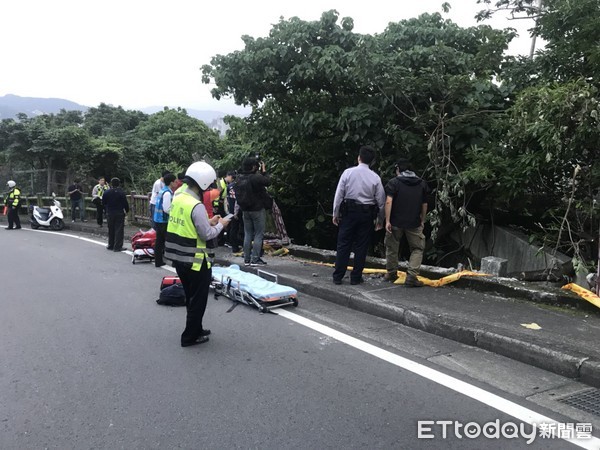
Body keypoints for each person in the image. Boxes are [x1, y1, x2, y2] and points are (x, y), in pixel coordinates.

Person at [165, 161, 230, 347]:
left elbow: (188, 225)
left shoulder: (178, 198)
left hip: (180, 258)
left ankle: (197, 328)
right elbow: (206, 234)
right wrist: (220, 225)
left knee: (190, 296)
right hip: (197, 260)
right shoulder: (196, 205)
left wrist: (208, 221)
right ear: (202, 184)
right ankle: (189, 337)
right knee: (198, 301)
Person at [332, 146, 385, 285]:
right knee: (361, 246)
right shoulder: (375, 178)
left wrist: (335, 213)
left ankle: (338, 276)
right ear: (372, 161)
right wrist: (380, 219)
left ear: (358, 158)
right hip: (367, 214)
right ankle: (356, 277)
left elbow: (339, 195)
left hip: (349, 212)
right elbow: (381, 201)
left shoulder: (348, 173)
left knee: (343, 244)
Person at [384, 158, 429, 287]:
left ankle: (391, 273)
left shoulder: (394, 183)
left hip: (395, 222)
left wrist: (387, 220)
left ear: (398, 169)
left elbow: (388, 201)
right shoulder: (421, 184)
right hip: (414, 222)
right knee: (417, 248)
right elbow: (424, 204)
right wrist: (422, 219)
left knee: (392, 247)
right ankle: (412, 275)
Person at [235, 156, 271, 266]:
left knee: (248, 233)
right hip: (257, 209)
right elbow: (268, 182)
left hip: (245, 210)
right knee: (258, 234)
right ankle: (255, 259)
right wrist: (264, 171)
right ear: (254, 167)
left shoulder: (239, 178)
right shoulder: (256, 177)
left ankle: (246, 258)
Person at [153, 173, 177, 267]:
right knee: (171, 241)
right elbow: (167, 209)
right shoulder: (167, 193)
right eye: (175, 181)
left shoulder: (163, 190)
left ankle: (158, 261)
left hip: (158, 219)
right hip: (164, 220)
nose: (176, 183)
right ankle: (174, 262)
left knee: (159, 242)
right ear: (171, 183)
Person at [102, 177, 130, 252]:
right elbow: (125, 203)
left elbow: (103, 203)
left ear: (111, 184)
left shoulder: (107, 192)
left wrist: (105, 210)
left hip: (110, 212)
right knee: (119, 229)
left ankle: (110, 245)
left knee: (111, 229)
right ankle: (117, 246)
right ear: (119, 184)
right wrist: (127, 210)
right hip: (119, 212)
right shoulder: (121, 192)